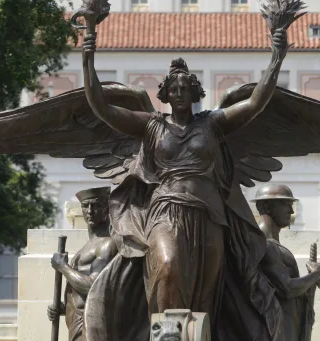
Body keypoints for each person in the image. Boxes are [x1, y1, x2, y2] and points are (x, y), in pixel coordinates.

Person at [81, 28, 290, 341]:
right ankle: (164, 336)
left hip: (209, 217)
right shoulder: (151, 125)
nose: (179, 93)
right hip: (166, 214)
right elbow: (102, 107)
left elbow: (255, 103)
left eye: (185, 88)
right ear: (165, 94)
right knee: (165, 268)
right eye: (173, 88)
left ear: (194, 93)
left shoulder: (212, 123)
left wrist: (277, 57)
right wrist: (88, 56)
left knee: (206, 294)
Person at [253, 184, 320, 341]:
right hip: (274, 327)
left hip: (287, 324)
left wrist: (308, 283)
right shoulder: (264, 244)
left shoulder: (273, 244)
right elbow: (287, 288)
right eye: (285, 204)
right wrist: (314, 275)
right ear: (267, 206)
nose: (292, 211)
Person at [46, 187, 117, 341]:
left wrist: (63, 267)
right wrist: (62, 308)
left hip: (91, 324)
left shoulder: (107, 245)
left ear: (107, 209)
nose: (90, 211)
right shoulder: (84, 249)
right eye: (85, 206)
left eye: (96, 205)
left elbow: (93, 286)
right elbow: (79, 294)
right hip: (76, 324)